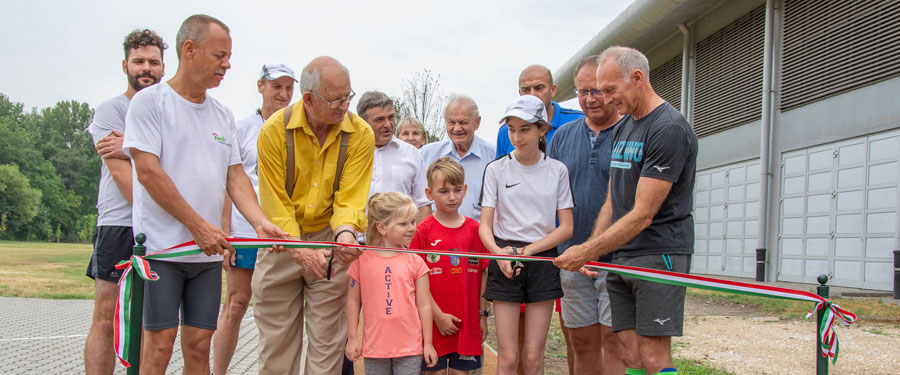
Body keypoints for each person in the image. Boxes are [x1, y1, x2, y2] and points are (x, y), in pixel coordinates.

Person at [123, 15, 287, 375]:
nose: (227, 65)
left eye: (228, 57)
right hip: (162, 251)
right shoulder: (149, 103)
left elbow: (235, 176)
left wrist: (261, 223)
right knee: (160, 345)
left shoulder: (222, 115)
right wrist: (198, 225)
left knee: (199, 347)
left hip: (207, 256)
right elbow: (148, 172)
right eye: (220, 55)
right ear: (189, 49)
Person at [554, 46, 698, 375]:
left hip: (658, 253)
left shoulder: (668, 128)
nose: (603, 99)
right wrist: (592, 248)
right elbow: (613, 198)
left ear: (637, 78)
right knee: (629, 353)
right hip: (622, 255)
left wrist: (586, 250)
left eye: (609, 90)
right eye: (596, 90)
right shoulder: (626, 126)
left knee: (653, 356)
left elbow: (643, 213)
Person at [253, 55, 375, 374]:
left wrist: (346, 234)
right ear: (308, 99)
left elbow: (350, 197)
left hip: (328, 237)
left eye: (349, 96)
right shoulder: (273, 131)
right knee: (276, 346)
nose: (345, 105)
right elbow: (275, 202)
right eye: (336, 99)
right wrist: (298, 249)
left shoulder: (361, 134)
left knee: (327, 346)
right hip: (280, 239)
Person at [83, 28, 165, 375]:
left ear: (164, 66)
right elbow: (123, 175)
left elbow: (176, 165)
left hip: (162, 226)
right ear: (125, 65)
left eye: (153, 62)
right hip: (119, 223)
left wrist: (130, 147)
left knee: (153, 321)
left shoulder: (167, 111)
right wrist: (142, 156)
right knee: (106, 314)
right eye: (139, 61)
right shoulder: (111, 110)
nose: (146, 68)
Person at [479, 95, 574, 375]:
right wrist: (499, 253)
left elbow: (566, 226)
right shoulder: (496, 169)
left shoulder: (557, 170)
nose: (516, 137)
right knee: (507, 358)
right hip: (505, 256)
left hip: (542, 258)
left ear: (542, 130)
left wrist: (531, 251)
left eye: (524, 129)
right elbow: (485, 225)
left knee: (533, 357)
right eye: (511, 129)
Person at [212, 63, 296, 375]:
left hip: (283, 233)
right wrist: (225, 232)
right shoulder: (241, 127)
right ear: (260, 86)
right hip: (245, 231)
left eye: (289, 88)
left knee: (276, 310)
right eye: (277, 86)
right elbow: (229, 180)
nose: (283, 94)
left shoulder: (297, 127)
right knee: (235, 305)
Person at [547, 55, 627, 375]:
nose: (590, 99)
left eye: (596, 91)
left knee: (615, 340)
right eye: (582, 92)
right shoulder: (563, 136)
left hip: (617, 257)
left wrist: (597, 248)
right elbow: (549, 194)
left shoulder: (631, 132)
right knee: (580, 341)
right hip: (572, 257)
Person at [345, 192, 439, 374]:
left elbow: (424, 304)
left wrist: (428, 343)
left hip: (409, 347)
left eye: (413, 222)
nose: (412, 228)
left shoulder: (416, 261)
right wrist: (352, 338)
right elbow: (353, 301)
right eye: (404, 223)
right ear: (382, 227)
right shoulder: (361, 260)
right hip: (375, 347)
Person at [411, 157, 489, 375]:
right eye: (443, 191)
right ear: (429, 194)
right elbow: (417, 282)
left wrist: (482, 315)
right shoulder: (422, 232)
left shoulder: (476, 230)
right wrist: (437, 315)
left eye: (457, 190)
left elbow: (483, 274)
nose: (452, 197)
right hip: (432, 324)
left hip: (467, 326)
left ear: (465, 189)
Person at [356, 91, 431, 224]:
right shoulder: (350, 152)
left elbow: (423, 204)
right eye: (379, 120)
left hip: (400, 243)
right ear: (363, 122)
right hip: (355, 242)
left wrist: (418, 242)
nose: (388, 124)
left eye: (391, 117)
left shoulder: (412, 154)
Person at [419, 95, 495, 221]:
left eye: (463, 122)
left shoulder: (493, 156)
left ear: (477, 122)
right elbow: (419, 200)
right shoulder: (426, 154)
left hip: (477, 238)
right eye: (451, 122)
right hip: (436, 237)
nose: (457, 128)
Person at [495, 64, 584, 158]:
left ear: (552, 90)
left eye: (539, 88)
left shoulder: (579, 122)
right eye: (526, 90)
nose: (532, 95)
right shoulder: (506, 132)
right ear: (520, 93)